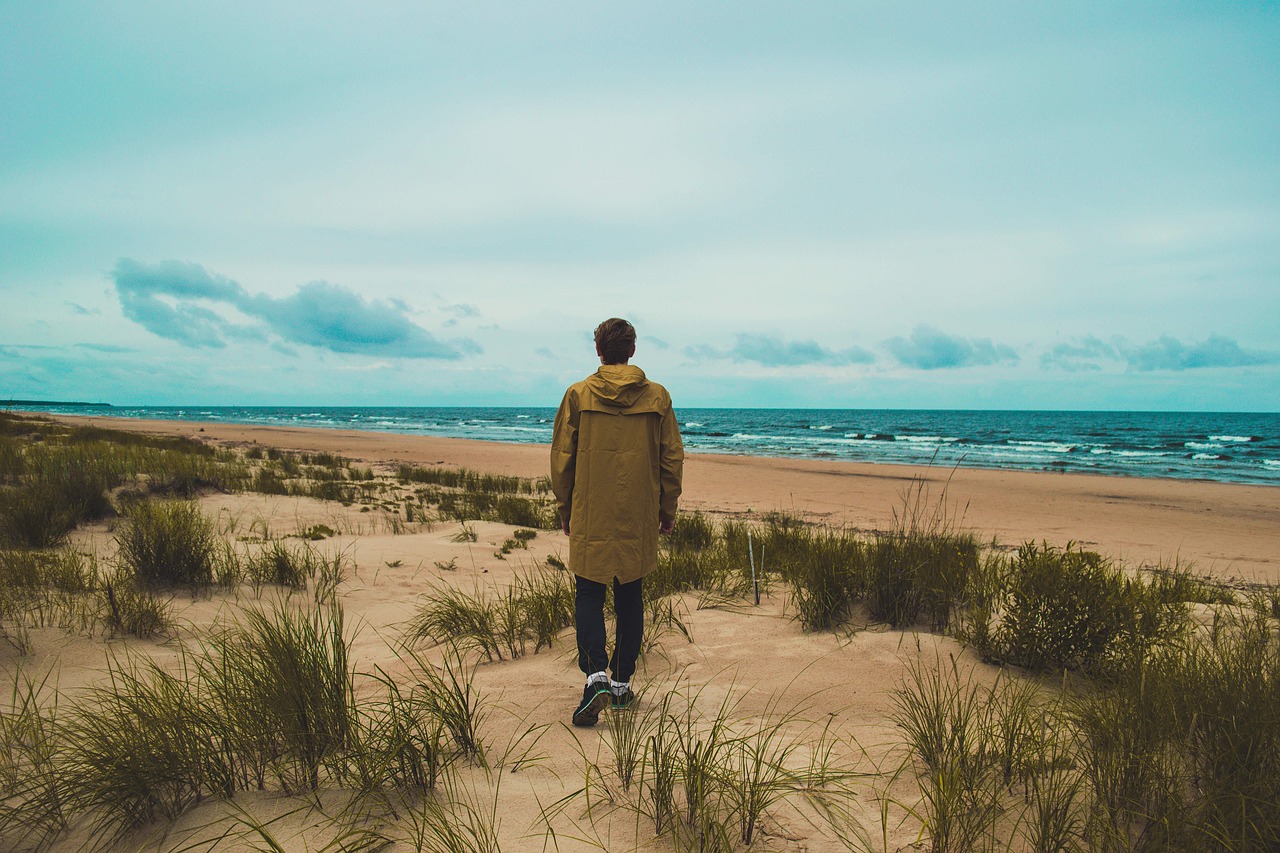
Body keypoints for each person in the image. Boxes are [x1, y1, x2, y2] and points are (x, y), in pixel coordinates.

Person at [550, 318, 684, 727]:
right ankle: (622, 685)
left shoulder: (578, 394)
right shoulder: (657, 396)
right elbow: (671, 458)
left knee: (589, 592)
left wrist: (564, 506)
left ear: (598, 351)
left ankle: (595, 679)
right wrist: (667, 508)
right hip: (639, 510)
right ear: (632, 350)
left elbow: (562, 458)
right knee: (630, 594)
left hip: (591, 507)